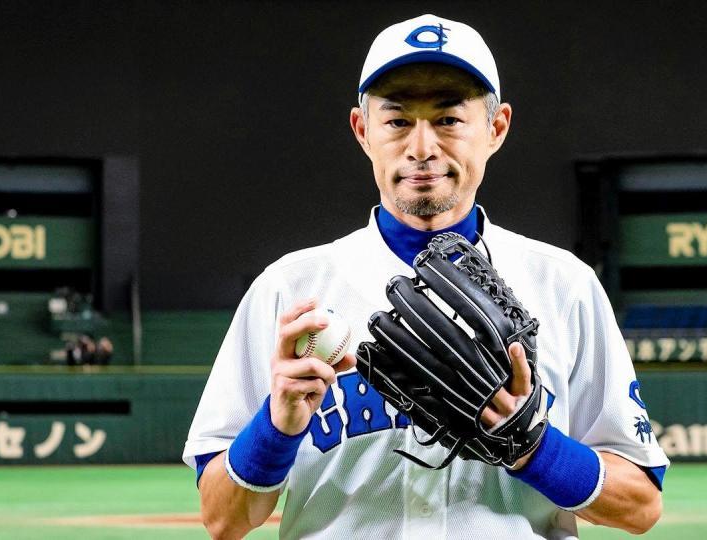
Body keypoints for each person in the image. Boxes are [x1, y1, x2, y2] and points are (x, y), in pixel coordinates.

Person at [184, 14, 669, 539]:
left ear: (496, 128)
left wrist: (535, 449)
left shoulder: (564, 286)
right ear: (362, 130)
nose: (421, 147)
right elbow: (222, 519)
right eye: (397, 121)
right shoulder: (290, 290)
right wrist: (275, 429)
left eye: (449, 119)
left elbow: (639, 506)